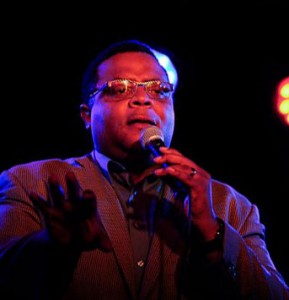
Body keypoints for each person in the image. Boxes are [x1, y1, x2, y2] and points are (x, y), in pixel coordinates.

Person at [0, 39, 288, 300]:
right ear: (87, 115)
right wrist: (51, 246)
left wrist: (212, 235)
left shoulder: (230, 204)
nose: (143, 99)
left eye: (159, 90)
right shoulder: (29, 182)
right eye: (119, 88)